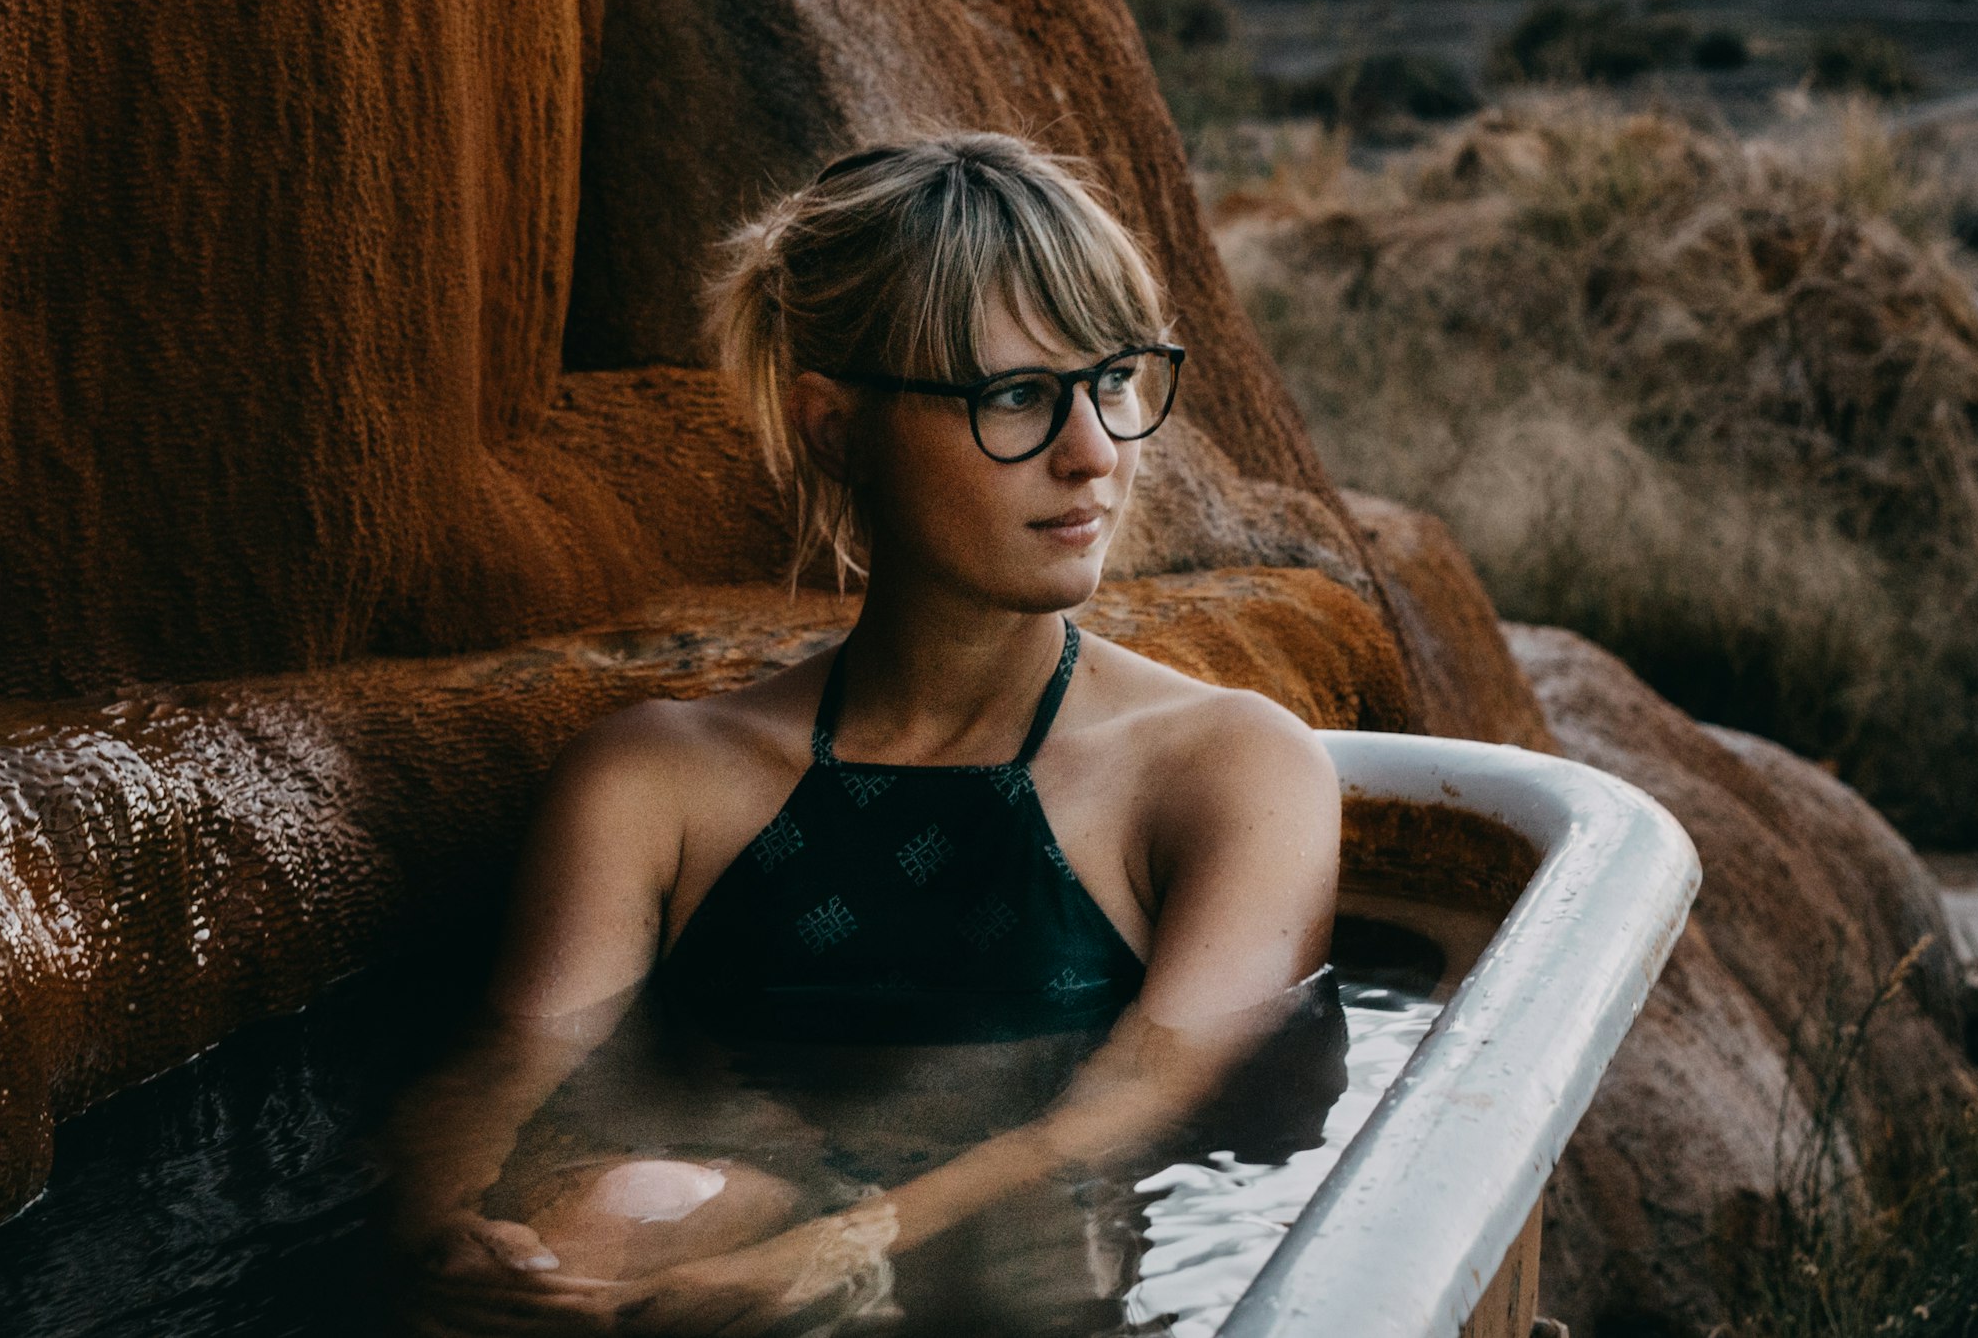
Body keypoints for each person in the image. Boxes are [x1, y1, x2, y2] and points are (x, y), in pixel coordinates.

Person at [386, 135, 1343, 1335]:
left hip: (1021, 1284)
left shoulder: (1228, 769)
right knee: (614, 1214)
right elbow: (513, 1064)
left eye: (1116, 381)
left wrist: (842, 1249)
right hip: (730, 1236)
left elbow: (1139, 1103)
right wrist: (450, 1233)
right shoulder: (658, 780)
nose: (1095, 451)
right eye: (1015, 396)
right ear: (837, 432)